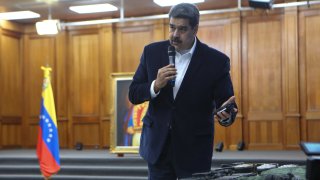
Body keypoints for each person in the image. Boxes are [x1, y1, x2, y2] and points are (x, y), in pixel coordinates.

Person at [128, 3, 237, 180]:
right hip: (158, 146)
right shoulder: (151, 52)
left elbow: (227, 104)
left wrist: (227, 114)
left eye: (182, 29)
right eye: (172, 27)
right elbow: (133, 93)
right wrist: (155, 85)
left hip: (194, 148)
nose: (175, 35)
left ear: (195, 29)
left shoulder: (216, 61)